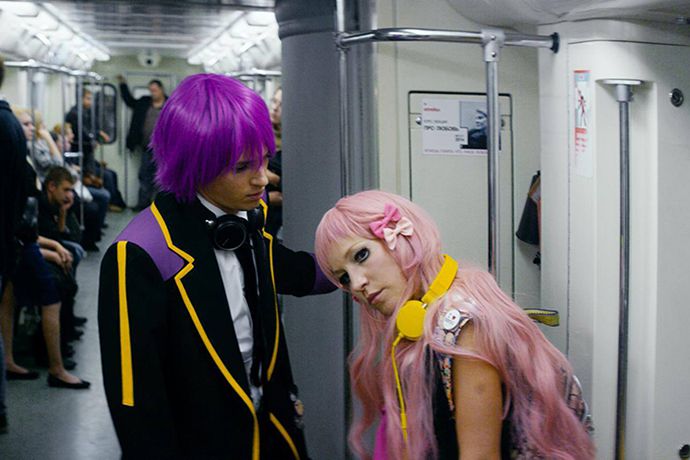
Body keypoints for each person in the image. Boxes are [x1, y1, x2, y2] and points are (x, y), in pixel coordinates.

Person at [98, 73, 334, 458]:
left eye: (264, 159)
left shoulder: (244, 218)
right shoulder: (140, 253)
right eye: (243, 167)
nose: (263, 179)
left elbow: (289, 270)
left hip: (270, 428)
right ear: (194, 165)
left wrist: (359, 265)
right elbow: (136, 399)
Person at [314, 190, 595, 459]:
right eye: (344, 278)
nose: (357, 284)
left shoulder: (465, 327)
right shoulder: (426, 316)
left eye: (361, 255)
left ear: (401, 236)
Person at [116, 75, 167, 211]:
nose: (152, 93)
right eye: (151, 90)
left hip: (164, 150)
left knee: (162, 178)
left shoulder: (170, 105)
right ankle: (143, 204)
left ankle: (160, 206)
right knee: (144, 175)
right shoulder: (144, 102)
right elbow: (129, 101)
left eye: (155, 90)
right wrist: (123, 84)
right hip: (147, 148)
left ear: (161, 90)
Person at [266, 87, 283, 239]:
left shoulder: (296, 143)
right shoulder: (260, 135)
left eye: (281, 104)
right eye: (274, 101)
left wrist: (275, 179)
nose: (275, 108)